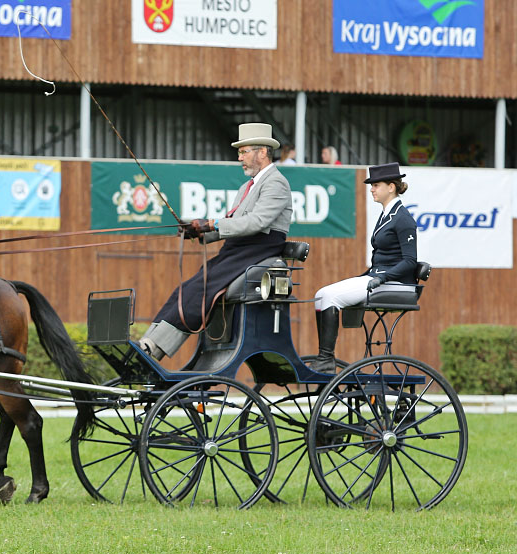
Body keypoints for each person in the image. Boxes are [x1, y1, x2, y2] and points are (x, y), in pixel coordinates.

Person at [139, 123, 293, 360]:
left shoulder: (277, 183)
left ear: (262, 152)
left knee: (201, 290)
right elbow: (234, 222)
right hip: (239, 249)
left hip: (258, 250)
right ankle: (149, 343)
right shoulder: (246, 187)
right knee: (185, 289)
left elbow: (257, 222)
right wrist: (199, 231)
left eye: (244, 152)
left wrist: (212, 224)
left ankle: (155, 349)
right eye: (239, 152)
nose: (239, 157)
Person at [310, 162, 418, 373]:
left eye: (376, 185)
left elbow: (410, 262)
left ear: (391, 187)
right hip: (378, 278)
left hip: (397, 284)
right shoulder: (386, 216)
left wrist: (383, 278)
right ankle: (324, 356)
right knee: (321, 294)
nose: (372, 189)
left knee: (331, 297)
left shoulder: (403, 219)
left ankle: (325, 359)